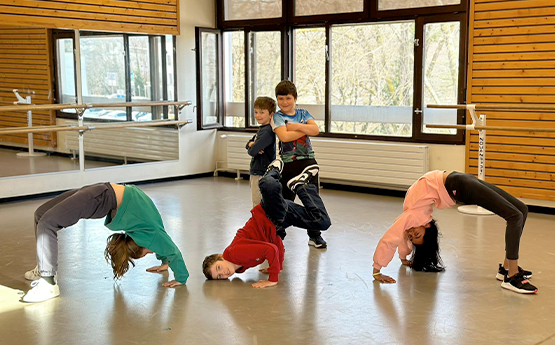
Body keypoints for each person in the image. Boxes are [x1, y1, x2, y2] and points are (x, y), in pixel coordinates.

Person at [372, 170, 537, 294]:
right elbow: (399, 237)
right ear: (427, 228)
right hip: (459, 186)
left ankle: (506, 270)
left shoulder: (410, 216)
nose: (412, 232)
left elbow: (392, 238)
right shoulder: (415, 217)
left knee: (521, 209)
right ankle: (512, 275)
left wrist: (394, 261)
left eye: (413, 235)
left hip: (459, 181)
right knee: (515, 216)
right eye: (416, 236)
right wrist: (395, 261)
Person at [22, 182, 189, 303]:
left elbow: (162, 243)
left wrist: (164, 261)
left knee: (43, 217)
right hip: (103, 196)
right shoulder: (150, 234)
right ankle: (48, 281)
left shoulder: (149, 229)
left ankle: (46, 271)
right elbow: (171, 250)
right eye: (146, 253)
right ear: (140, 243)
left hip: (103, 191)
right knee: (44, 219)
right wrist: (181, 278)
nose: (151, 252)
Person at [202, 159, 331, 288]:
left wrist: (273, 278)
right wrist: (277, 266)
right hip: (279, 222)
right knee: (322, 221)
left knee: (268, 186)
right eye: (219, 276)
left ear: (221, 256)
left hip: (269, 213)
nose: (224, 273)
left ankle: (272, 171)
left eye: (219, 268)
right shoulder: (240, 267)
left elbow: (270, 249)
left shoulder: (235, 254)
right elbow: (275, 241)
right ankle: (301, 185)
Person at [272, 80, 328, 249]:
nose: (284, 102)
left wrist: (295, 126)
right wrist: (304, 128)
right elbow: (284, 137)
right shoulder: (277, 117)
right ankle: (276, 235)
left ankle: (314, 235)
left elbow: (315, 130)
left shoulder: (304, 113)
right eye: (280, 99)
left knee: (312, 201)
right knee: (284, 200)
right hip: (288, 164)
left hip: (308, 162)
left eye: (288, 98)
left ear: (295, 98)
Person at [246, 96, 277, 207]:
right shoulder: (262, 129)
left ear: (271, 114)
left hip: (261, 172)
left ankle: (260, 224)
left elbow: (252, 151)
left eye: (262, 112)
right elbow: (250, 143)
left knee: (258, 202)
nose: (258, 115)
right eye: (256, 112)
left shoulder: (267, 131)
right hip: (260, 171)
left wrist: (252, 146)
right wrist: (251, 144)